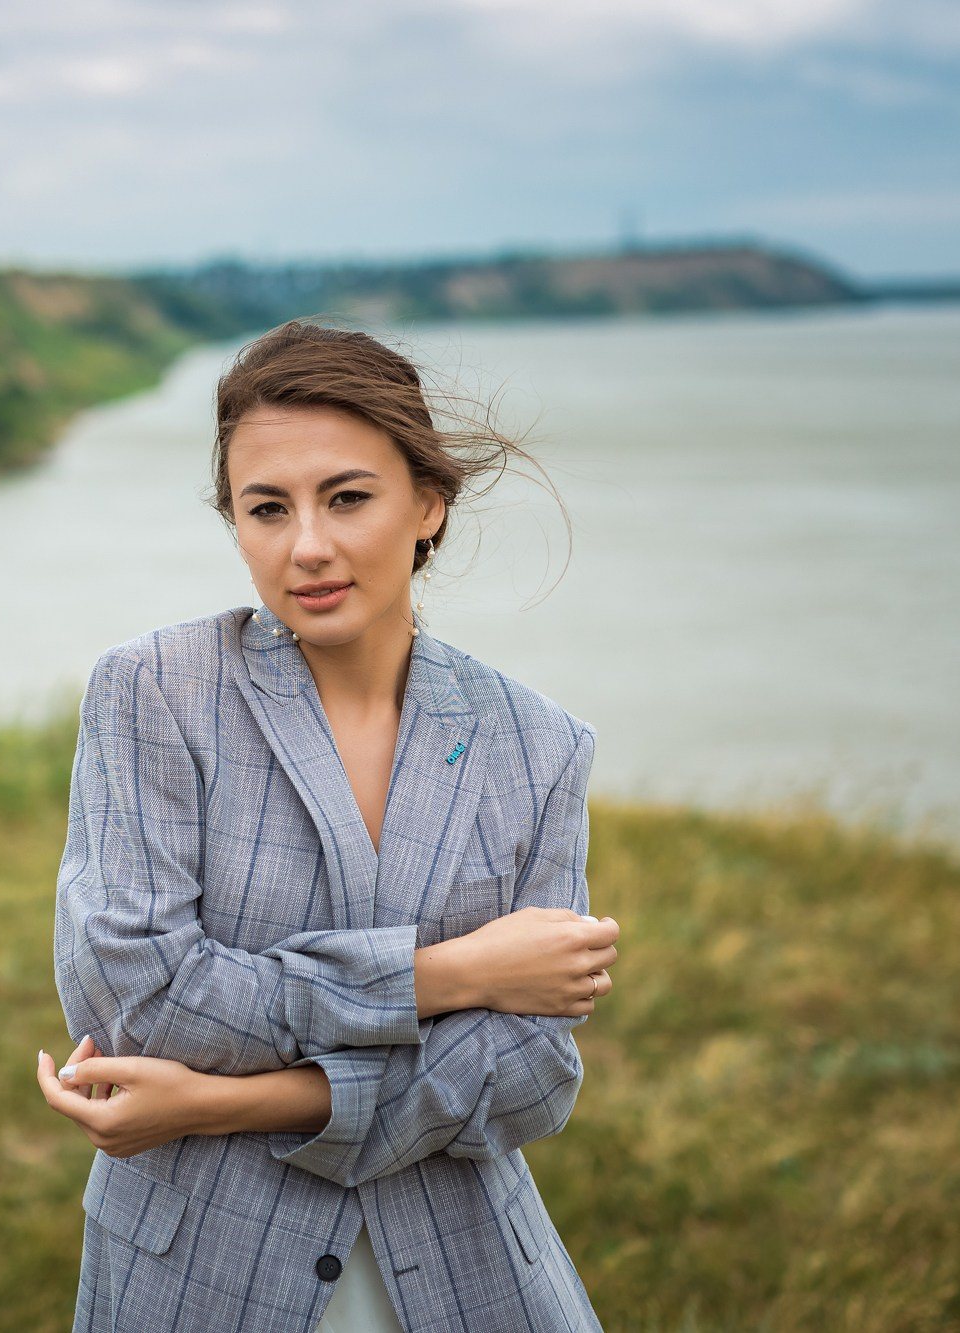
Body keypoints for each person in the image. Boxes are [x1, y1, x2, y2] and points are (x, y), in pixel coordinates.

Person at [37, 321, 619, 1332]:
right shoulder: (154, 692)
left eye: (346, 497)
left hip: (465, 1279)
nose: (305, 545)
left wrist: (226, 1101)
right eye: (267, 508)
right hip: (198, 1280)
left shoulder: (537, 744)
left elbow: (530, 1076)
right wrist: (449, 978)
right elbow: (137, 997)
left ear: (426, 502)